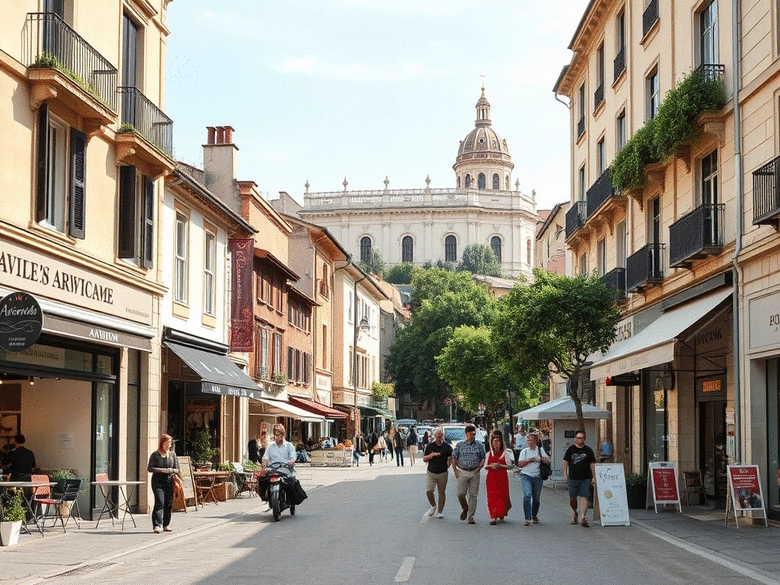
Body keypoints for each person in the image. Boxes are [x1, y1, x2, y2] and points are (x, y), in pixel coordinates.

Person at [452, 424, 486, 524]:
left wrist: (479, 468)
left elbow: (483, 458)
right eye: (471, 434)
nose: (473, 436)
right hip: (462, 471)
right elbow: (454, 457)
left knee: (473, 495)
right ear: (466, 434)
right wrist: (455, 470)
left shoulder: (479, 445)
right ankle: (465, 507)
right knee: (460, 494)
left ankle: (471, 516)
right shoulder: (460, 445)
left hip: (474, 472)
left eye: (474, 434)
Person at [563, 430, 597, 527]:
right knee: (572, 498)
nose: (579, 440)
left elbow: (592, 464)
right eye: (578, 438)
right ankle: (575, 512)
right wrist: (565, 474)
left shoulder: (588, 450)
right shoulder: (571, 450)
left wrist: (594, 477)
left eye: (581, 438)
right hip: (573, 477)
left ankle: (583, 517)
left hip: (586, 477)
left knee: (584, 496)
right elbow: (565, 462)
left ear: (584, 439)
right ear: (575, 438)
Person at [147, 434, 179, 533]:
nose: (169, 445)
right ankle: (157, 525)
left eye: (170, 443)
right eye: (167, 443)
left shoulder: (172, 455)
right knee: (160, 502)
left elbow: (177, 469)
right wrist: (162, 470)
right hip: (157, 482)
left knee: (168, 503)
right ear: (162, 443)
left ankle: (166, 524)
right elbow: (150, 468)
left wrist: (172, 470)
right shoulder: (155, 455)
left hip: (169, 481)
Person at [517, 431, 550, 526]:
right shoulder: (524, 451)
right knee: (527, 495)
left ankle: (534, 514)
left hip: (537, 476)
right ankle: (527, 517)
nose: (529, 442)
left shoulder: (540, 450)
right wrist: (530, 460)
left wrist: (540, 458)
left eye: (531, 440)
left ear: (536, 440)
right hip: (526, 475)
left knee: (536, 498)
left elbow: (547, 461)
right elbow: (519, 464)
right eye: (528, 440)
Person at [422, 427, 453, 518]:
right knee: (429, 490)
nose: (440, 437)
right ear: (435, 436)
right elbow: (424, 459)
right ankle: (433, 505)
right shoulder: (430, 446)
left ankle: (440, 511)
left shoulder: (447, 447)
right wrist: (431, 455)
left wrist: (449, 461)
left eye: (441, 435)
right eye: (438, 436)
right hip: (431, 472)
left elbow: (451, 458)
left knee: (441, 492)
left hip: (443, 472)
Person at [485, 432, 513, 525]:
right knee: (492, 495)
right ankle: (493, 515)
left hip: (502, 477)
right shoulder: (489, 453)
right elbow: (485, 466)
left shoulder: (506, 453)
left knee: (502, 495)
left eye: (498, 441)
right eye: (494, 441)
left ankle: (501, 511)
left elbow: (510, 466)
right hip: (491, 477)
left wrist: (500, 465)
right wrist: (491, 465)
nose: (496, 443)